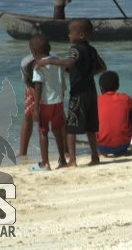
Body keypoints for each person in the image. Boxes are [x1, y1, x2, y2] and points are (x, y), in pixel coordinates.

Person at [36, 19, 106, 167]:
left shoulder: (75, 49)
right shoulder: (92, 50)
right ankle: (95, 157)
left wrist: (48, 62)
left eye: (70, 32)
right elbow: (103, 67)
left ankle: (72, 160)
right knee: (90, 127)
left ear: (80, 35)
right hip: (91, 92)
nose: (68, 35)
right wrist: (87, 74)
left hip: (79, 92)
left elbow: (69, 62)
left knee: (71, 127)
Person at [28, 34, 67, 171]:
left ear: (34, 53)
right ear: (49, 48)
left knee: (43, 132)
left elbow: (38, 85)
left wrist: (36, 108)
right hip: (58, 101)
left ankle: (45, 163)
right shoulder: (56, 60)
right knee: (57, 130)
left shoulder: (38, 66)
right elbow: (62, 79)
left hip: (45, 103)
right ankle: (62, 160)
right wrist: (62, 93)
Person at [96, 71, 132, 156]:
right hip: (123, 144)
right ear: (118, 86)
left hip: (102, 146)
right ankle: (125, 136)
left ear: (101, 88)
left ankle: (98, 149)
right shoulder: (125, 99)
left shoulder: (96, 100)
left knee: (92, 116)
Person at [18, 53, 35, 157]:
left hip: (49, 89)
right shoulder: (26, 62)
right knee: (28, 116)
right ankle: (23, 152)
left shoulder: (26, 62)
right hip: (32, 87)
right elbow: (27, 81)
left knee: (57, 118)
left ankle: (66, 150)